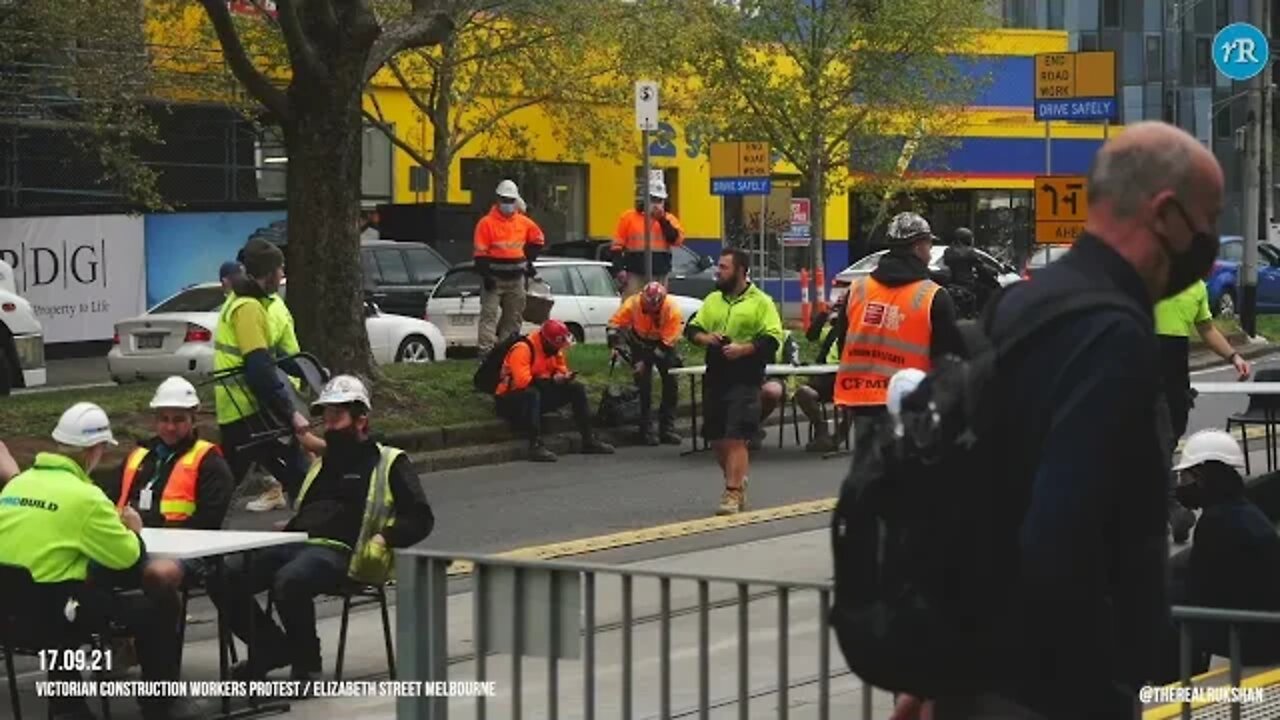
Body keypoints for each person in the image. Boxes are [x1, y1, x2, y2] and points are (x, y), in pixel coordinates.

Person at [891, 122, 1226, 720]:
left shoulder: (1022, 304)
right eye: (1211, 218)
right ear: (1167, 214)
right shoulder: (1114, 336)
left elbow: (961, 489)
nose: (1212, 241)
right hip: (1058, 687)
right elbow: (1063, 531)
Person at [210, 375, 435, 681]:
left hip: (345, 553)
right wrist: (288, 527)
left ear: (361, 420)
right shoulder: (322, 464)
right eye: (326, 418)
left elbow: (420, 517)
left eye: (337, 417)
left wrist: (385, 537)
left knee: (290, 580)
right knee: (222, 576)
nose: (329, 425)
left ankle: (308, 664)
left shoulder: (389, 462)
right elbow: (317, 510)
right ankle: (272, 647)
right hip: (299, 544)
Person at [0, 403, 200, 720]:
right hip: (55, 617)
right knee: (159, 603)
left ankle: (67, 704)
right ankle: (160, 705)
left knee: (60, 590)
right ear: (95, 449)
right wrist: (133, 530)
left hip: (9, 617)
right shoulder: (85, 496)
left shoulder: (16, 486)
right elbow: (129, 560)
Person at [834, 212, 963, 460]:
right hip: (913, 404)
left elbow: (844, 343)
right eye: (928, 244)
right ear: (918, 247)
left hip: (862, 399)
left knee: (872, 476)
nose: (929, 251)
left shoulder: (858, 290)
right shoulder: (933, 296)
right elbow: (947, 358)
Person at [100, 376, 234, 609]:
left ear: (194, 419)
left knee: (157, 575)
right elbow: (108, 500)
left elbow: (209, 522)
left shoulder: (209, 461)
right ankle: (120, 637)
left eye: (179, 420)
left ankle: (164, 638)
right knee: (85, 570)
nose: (170, 427)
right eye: (164, 419)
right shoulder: (139, 455)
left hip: (188, 552)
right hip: (131, 544)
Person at [685, 248, 784, 515]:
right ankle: (738, 480)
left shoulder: (761, 302)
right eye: (718, 266)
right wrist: (706, 339)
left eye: (724, 267)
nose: (718, 271)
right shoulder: (713, 300)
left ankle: (732, 491)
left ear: (740, 271)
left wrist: (744, 348)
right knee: (717, 438)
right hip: (716, 375)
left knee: (736, 436)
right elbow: (691, 328)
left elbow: (773, 339)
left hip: (746, 377)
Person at [213, 239, 313, 502]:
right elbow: (259, 368)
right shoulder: (249, 308)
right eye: (280, 269)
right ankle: (316, 527)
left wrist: (307, 369)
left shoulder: (238, 300)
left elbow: (271, 358)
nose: (282, 275)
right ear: (268, 274)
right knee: (298, 470)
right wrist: (291, 413)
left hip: (235, 408)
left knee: (226, 483)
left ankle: (201, 527)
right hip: (249, 408)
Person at [1170, 430, 1280, 669]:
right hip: (1269, 629)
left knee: (1165, 606)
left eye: (1184, 478)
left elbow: (1198, 592)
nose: (1181, 485)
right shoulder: (1245, 511)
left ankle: (1176, 687)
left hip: (1253, 639)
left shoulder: (1215, 523)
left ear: (1199, 477)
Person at [1155, 279, 1251, 543]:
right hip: (1145, 375)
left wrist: (1234, 357)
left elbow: (1206, 328)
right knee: (1160, 445)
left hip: (1177, 380)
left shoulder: (1196, 286)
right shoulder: (1149, 272)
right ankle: (1172, 508)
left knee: (1170, 439)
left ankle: (1152, 506)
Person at [495, 319, 616, 462]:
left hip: (538, 394)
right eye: (555, 346)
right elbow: (523, 383)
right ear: (546, 341)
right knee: (531, 393)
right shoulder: (523, 349)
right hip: (510, 400)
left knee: (576, 388)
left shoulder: (555, 350)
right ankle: (535, 446)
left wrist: (564, 378)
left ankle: (588, 440)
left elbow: (561, 369)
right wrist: (552, 381)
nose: (558, 350)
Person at [607, 281, 684, 446]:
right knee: (643, 388)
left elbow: (665, 345)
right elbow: (614, 324)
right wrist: (615, 345)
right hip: (639, 342)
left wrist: (644, 362)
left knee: (671, 383)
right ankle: (645, 430)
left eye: (653, 308)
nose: (649, 310)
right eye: (646, 306)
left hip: (664, 344)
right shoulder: (633, 303)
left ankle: (667, 428)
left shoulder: (672, 310)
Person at [474, 179, 546, 355]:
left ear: (516, 201)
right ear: (498, 200)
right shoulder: (486, 223)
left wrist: (527, 261)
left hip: (516, 280)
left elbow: (538, 240)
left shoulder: (523, 222)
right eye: (505, 200)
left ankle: (506, 353)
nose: (508, 204)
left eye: (511, 201)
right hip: (494, 279)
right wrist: (486, 275)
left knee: (513, 318)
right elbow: (480, 254)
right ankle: (486, 354)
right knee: (489, 316)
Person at [611, 180, 686, 298]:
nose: (656, 204)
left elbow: (676, 240)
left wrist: (662, 220)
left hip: (659, 273)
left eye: (660, 200)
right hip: (635, 273)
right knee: (633, 307)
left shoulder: (669, 219)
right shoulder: (628, 218)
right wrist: (619, 269)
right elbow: (616, 246)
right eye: (653, 199)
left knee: (659, 307)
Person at [795, 294, 846, 452]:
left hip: (846, 377)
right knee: (803, 393)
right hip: (825, 377)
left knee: (853, 403)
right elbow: (811, 335)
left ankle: (838, 437)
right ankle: (820, 427)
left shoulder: (857, 327)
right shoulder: (834, 328)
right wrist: (826, 312)